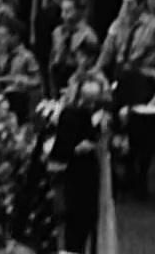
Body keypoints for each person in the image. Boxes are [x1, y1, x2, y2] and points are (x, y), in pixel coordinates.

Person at [99, 0, 155, 198]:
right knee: (116, 124)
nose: (126, 8)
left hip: (143, 78)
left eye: (130, 4)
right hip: (122, 76)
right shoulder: (117, 25)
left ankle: (142, 176)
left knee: (142, 128)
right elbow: (107, 52)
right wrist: (97, 72)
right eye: (124, 3)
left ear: (141, 5)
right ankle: (125, 172)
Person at [46, 36, 114, 254]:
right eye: (79, 56)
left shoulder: (98, 81)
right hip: (73, 136)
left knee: (87, 204)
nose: (81, 60)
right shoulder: (75, 78)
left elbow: (102, 108)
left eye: (85, 57)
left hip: (89, 140)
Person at [48, 0, 100, 96]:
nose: (63, 15)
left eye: (68, 11)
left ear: (78, 12)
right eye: (62, 11)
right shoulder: (57, 32)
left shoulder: (88, 35)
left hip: (77, 77)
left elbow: (91, 63)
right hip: (58, 76)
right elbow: (52, 57)